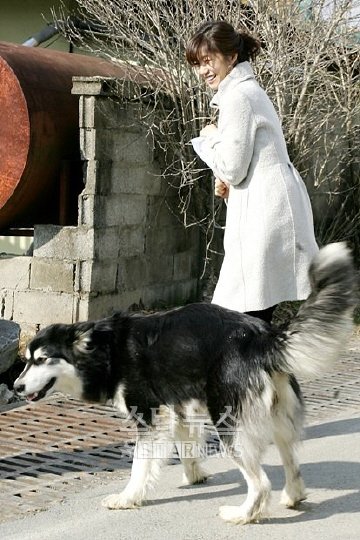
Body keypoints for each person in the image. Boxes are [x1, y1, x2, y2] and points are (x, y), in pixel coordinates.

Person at [186, 21, 319, 324]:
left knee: (242, 322)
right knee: (250, 322)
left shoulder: (239, 97)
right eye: (198, 64)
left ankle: (268, 370)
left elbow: (232, 168)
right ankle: (272, 370)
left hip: (267, 218)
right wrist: (232, 190)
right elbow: (248, 165)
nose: (203, 71)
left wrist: (209, 137)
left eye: (209, 60)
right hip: (270, 211)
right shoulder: (245, 92)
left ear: (232, 57)